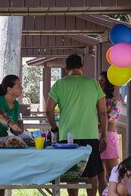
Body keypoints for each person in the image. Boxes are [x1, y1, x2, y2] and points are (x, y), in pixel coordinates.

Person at [46, 54, 107, 196]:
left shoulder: (60, 84)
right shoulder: (93, 84)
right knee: (92, 173)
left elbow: (49, 110)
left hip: (67, 137)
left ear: (66, 69)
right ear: (82, 68)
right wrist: (103, 134)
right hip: (90, 135)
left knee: (71, 173)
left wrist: (55, 129)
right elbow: (103, 112)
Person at [97, 71, 122, 194]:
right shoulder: (95, 99)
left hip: (109, 136)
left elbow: (110, 119)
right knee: (99, 173)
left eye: (102, 80)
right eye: (98, 80)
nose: (99, 82)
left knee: (113, 172)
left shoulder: (114, 101)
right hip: (95, 135)